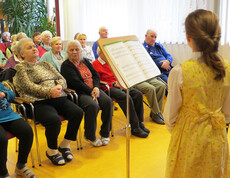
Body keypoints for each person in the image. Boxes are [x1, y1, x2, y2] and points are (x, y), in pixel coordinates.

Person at [163, 9, 230, 177]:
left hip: (188, 136)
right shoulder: (227, 69)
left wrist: (181, 127)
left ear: (188, 38)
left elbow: (170, 116)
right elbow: (228, 113)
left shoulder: (180, 71)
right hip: (217, 135)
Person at [13, 38, 83, 166]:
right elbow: (28, 87)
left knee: (77, 112)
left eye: (34, 46)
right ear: (21, 54)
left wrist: (59, 87)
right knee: (53, 120)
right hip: (37, 102)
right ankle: (52, 150)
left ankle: (65, 145)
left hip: (57, 97)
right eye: (30, 47)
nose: (35, 48)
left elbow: (61, 78)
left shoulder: (45, 64)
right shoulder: (20, 68)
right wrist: (49, 91)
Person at [61, 40, 113, 147]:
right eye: (71, 50)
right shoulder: (66, 65)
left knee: (108, 102)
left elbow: (96, 76)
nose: (75, 52)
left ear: (81, 51)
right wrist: (91, 91)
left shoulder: (85, 61)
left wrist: (96, 88)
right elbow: (76, 83)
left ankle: (105, 133)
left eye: (77, 49)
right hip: (79, 93)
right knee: (92, 105)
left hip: (93, 89)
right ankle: (90, 135)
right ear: (67, 52)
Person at [93, 47, 149, 138]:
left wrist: (119, 83)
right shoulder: (95, 64)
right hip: (107, 88)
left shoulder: (111, 62)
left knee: (137, 94)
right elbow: (97, 80)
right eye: (105, 53)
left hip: (118, 85)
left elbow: (118, 74)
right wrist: (112, 83)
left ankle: (139, 122)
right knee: (126, 97)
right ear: (100, 54)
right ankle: (135, 127)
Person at [0, 82, 35, 178]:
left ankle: (21, 166)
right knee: (1, 139)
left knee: (27, 131)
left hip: (8, 115)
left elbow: (12, 95)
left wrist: (4, 94)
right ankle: (3, 173)